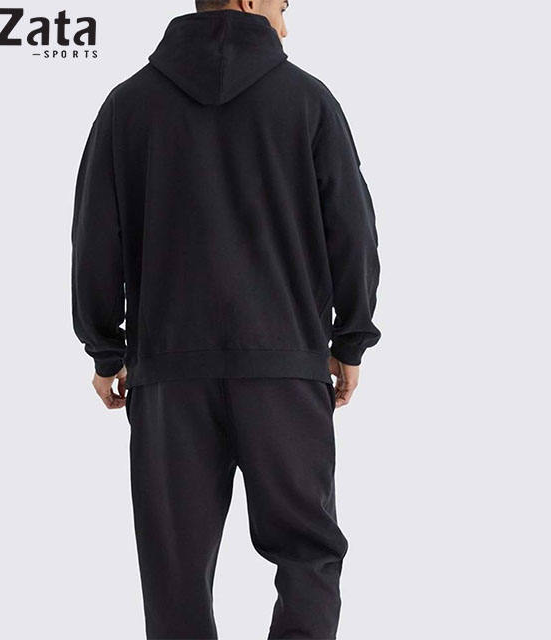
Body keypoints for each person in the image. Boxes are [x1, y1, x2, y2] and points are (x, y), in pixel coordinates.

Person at [71, 0, 381, 637]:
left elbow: (95, 239)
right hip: (285, 369)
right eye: (282, 3)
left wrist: (106, 348)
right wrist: (349, 339)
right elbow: (352, 232)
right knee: (306, 552)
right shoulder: (309, 102)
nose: (287, 19)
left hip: (168, 377)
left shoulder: (127, 107)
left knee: (174, 573)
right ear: (247, 0)